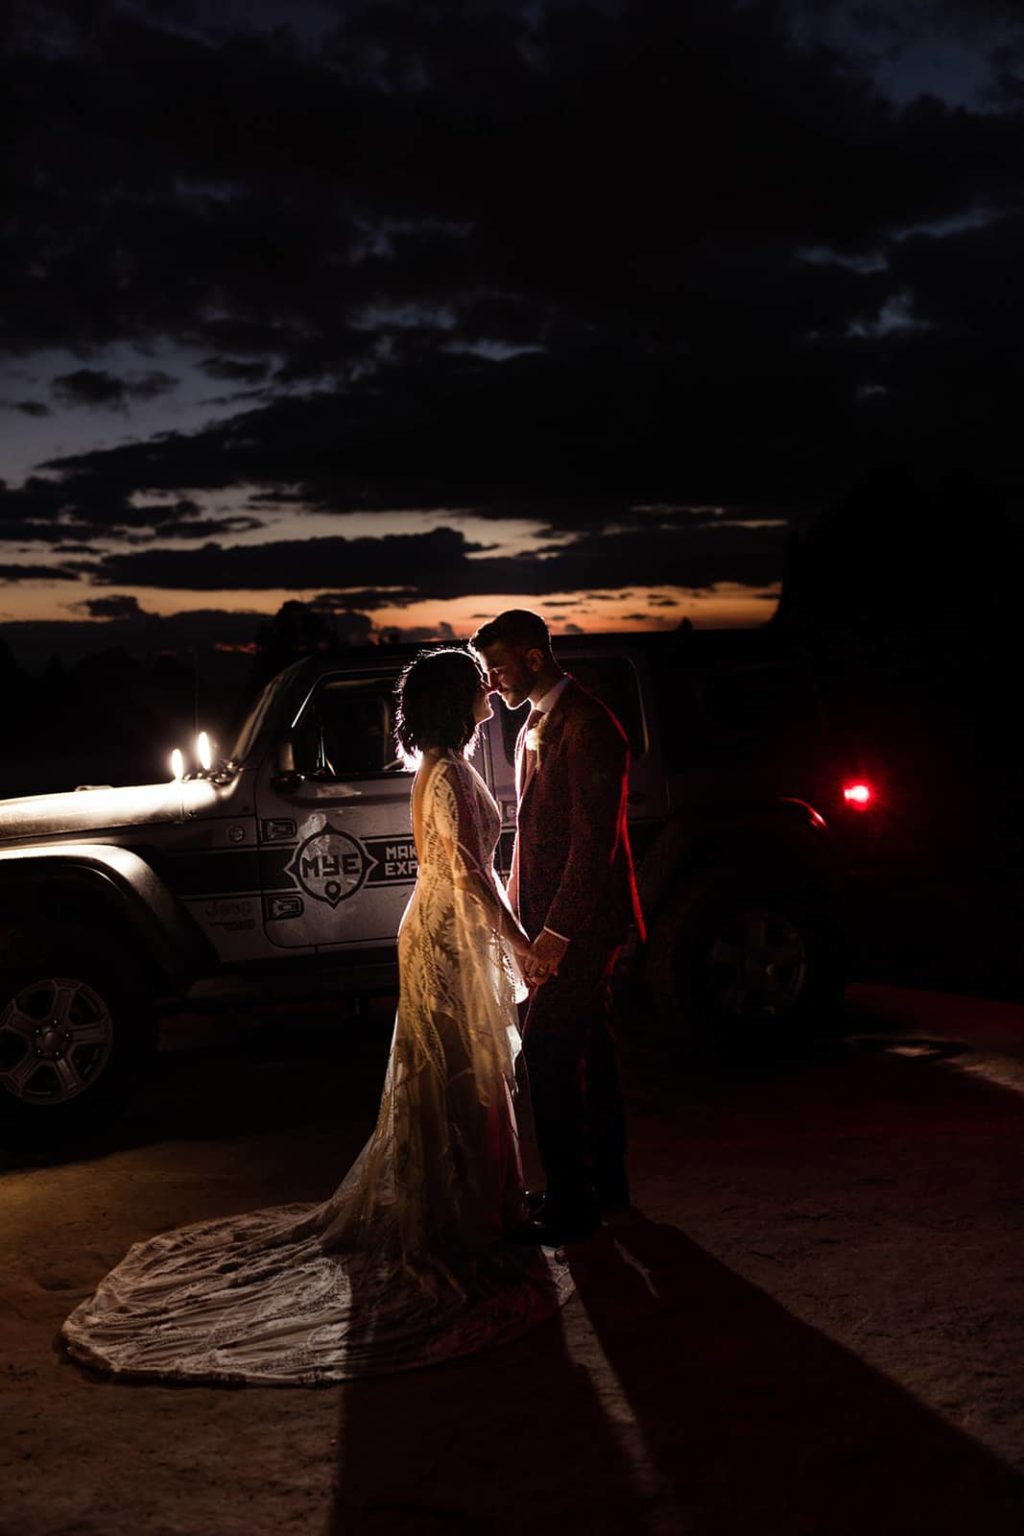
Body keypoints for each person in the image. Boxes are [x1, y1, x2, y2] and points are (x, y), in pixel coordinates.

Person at [61, 648, 571, 1385]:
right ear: (456, 700)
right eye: (478, 684)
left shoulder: (438, 765)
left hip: (438, 925)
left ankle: (478, 1205)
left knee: (454, 1068)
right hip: (448, 929)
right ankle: (470, 1217)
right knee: (460, 1069)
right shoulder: (451, 772)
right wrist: (521, 943)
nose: (491, 692)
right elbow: (467, 873)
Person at [472, 610, 645, 1247]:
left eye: (499, 666)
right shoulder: (537, 725)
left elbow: (591, 844)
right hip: (552, 923)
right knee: (592, 1050)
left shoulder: (590, 725)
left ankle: (572, 1204)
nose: (492, 682)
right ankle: (608, 1185)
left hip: (584, 926)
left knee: (547, 1052)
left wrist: (555, 934)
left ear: (535, 658)